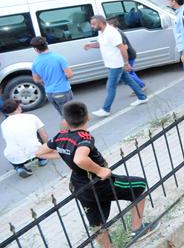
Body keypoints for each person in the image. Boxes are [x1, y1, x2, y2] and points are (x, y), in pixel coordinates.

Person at [36, 101, 158, 247]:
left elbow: (40, 152)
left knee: (97, 223)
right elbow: (80, 159)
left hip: (79, 185)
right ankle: (138, 229)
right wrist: (100, 170)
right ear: (87, 117)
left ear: (67, 121)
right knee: (139, 185)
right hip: (99, 183)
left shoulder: (60, 136)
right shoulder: (84, 137)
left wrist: (63, 154)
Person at [83, 16, 148, 118]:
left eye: (93, 24)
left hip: (116, 64)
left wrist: (126, 63)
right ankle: (142, 97)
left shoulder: (112, 33)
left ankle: (106, 109)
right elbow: (102, 44)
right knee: (129, 80)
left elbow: (122, 48)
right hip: (110, 63)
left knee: (110, 86)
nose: (92, 26)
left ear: (101, 23)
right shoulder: (102, 32)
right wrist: (90, 45)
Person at [30, 36, 73, 122]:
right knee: (69, 116)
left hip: (49, 93)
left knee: (63, 114)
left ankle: (67, 132)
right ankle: (68, 133)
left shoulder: (35, 63)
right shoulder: (59, 58)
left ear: (35, 49)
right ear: (47, 44)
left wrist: (46, 80)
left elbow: (36, 80)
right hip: (62, 90)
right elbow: (70, 74)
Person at [2, 99, 48, 178]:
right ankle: (42, 159)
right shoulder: (32, 117)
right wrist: (47, 148)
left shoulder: (3, 124)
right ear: (18, 108)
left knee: (12, 147)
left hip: (14, 156)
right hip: (35, 151)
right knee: (36, 134)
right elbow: (43, 135)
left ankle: (19, 167)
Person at [107, 17, 146, 92]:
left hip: (129, 55)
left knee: (127, 73)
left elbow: (125, 46)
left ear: (111, 25)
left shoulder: (117, 33)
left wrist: (124, 61)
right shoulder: (116, 31)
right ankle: (139, 86)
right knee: (130, 72)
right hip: (130, 54)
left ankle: (141, 85)